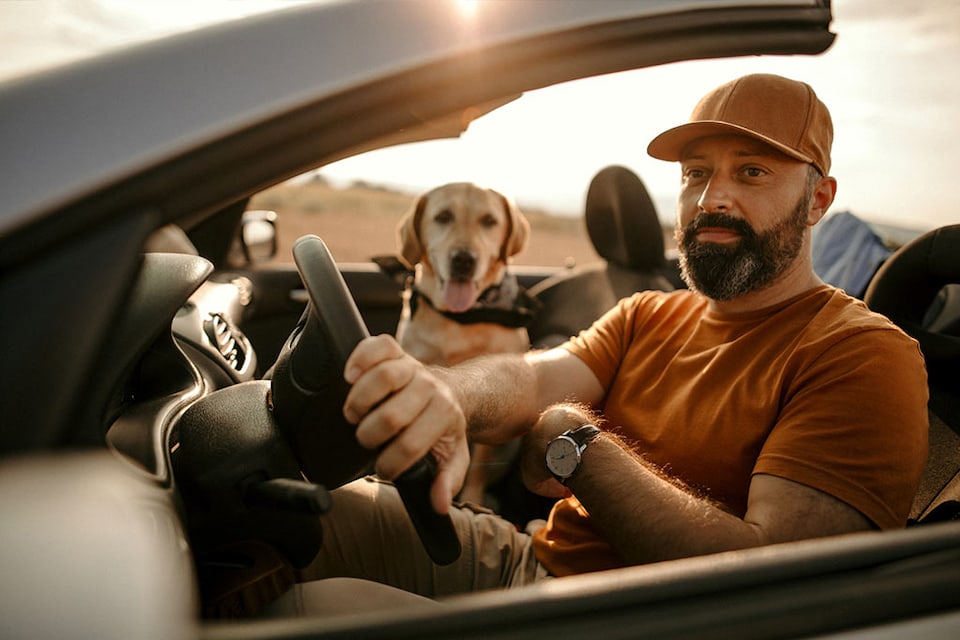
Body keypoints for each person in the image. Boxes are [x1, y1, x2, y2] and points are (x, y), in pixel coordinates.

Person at [297, 73, 929, 599]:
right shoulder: (649, 314)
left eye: (753, 172)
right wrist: (443, 392)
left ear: (818, 200)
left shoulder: (862, 355)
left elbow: (769, 579)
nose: (713, 198)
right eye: (695, 173)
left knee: (309, 609)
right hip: (526, 560)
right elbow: (533, 377)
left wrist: (574, 444)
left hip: (616, 616)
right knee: (289, 518)